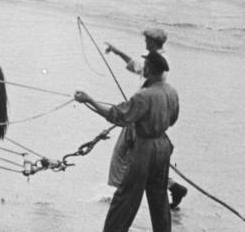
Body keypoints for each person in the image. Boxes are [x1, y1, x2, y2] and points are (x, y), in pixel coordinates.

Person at [75, 31, 179, 231]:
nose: (144, 67)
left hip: (145, 147)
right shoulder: (172, 91)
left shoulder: (144, 96)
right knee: (158, 196)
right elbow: (173, 119)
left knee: (126, 195)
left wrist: (89, 100)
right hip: (164, 146)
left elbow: (117, 116)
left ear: (150, 68)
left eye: (146, 65)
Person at [102, 30, 188, 210]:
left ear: (153, 41)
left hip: (142, 118)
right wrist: (118, 52)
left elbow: (142, 72)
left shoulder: (158, 61)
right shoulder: (157, 59)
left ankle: (123, 193)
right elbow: (137, 67)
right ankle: (173, 186)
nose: (145, 42)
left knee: (123, 155)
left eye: (147, 40)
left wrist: (138, 104)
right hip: (144, 114)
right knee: (139, 161)